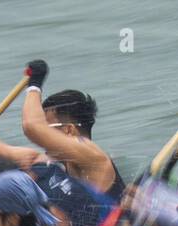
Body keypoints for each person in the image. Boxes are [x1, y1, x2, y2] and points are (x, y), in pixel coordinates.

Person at [21, 61, 122, 202]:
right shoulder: (66, 161)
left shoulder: (91, 156)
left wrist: (34, 85)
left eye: (47, 129)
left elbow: (31, 126)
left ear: (69, 130)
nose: (44, 138)